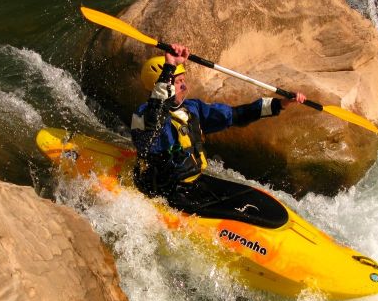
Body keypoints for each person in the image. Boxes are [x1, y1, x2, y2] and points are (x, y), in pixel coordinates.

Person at [130, 44, 306, 221]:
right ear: (161, 84)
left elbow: (236, 115)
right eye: (177, 81)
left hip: (194, 184)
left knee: (260, 203)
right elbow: (154, 120)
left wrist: (280, 104)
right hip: (164, 190)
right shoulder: (144, 115)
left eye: (183, 80)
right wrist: (169, 67)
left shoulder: (193, 109)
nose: (183, 86)